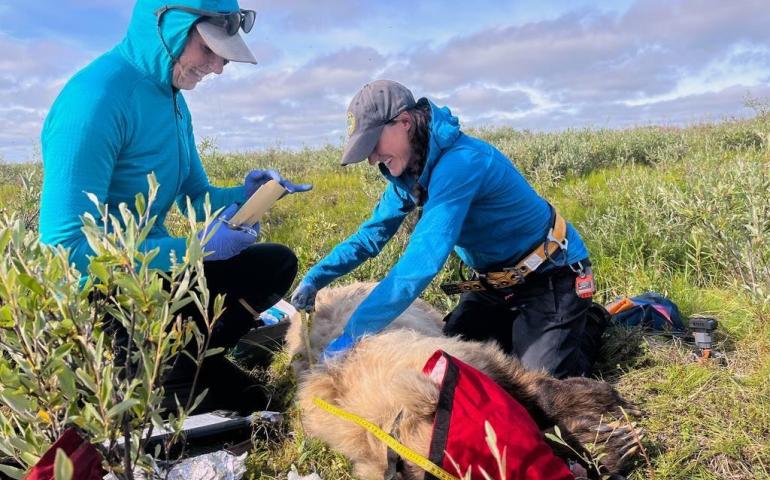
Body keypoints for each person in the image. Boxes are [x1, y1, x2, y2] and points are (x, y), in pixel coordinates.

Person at [39, 0, 311, 413]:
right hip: (107, 296)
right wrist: (192, 250)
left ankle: (189, 360)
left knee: (275, 264)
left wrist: (244, 194)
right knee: (250, 404)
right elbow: (66, 248)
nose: (218, 66)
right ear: (167, 27)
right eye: (209, 49)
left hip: (157, 275)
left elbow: (196, 195)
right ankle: (151, 372)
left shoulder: (172, 98)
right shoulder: (93, 101)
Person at [291, 80, 603, 379]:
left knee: (536, 382)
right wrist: (316, 277)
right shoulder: (408, 174)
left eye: (372, 144)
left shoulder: (462, 163)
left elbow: (422, 260)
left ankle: (587, 321)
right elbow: (369, 238)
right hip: (494, 286)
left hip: (550, 277)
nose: (372, 159)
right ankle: (531, 328)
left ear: (404, 122)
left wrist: (354, 331)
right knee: (455, 364)